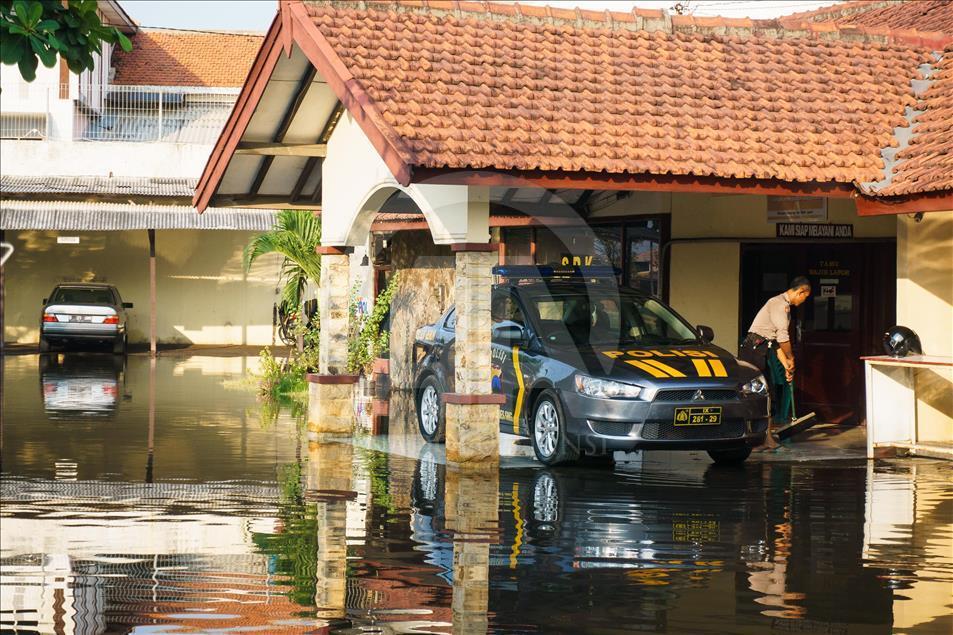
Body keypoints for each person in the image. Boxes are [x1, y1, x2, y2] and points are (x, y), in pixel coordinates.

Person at [739, 277, 812, 450]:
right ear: (800, 291)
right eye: (804, 297)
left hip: (764, 348)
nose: (803, 302)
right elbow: (783, 337)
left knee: (767, 393)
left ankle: (766, 438)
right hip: (753, 350)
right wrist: (791, 357)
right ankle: (756, 438)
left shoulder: (782, 306)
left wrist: (786, 363)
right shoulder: (779, 304)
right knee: (759, 392)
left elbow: (776, 343)